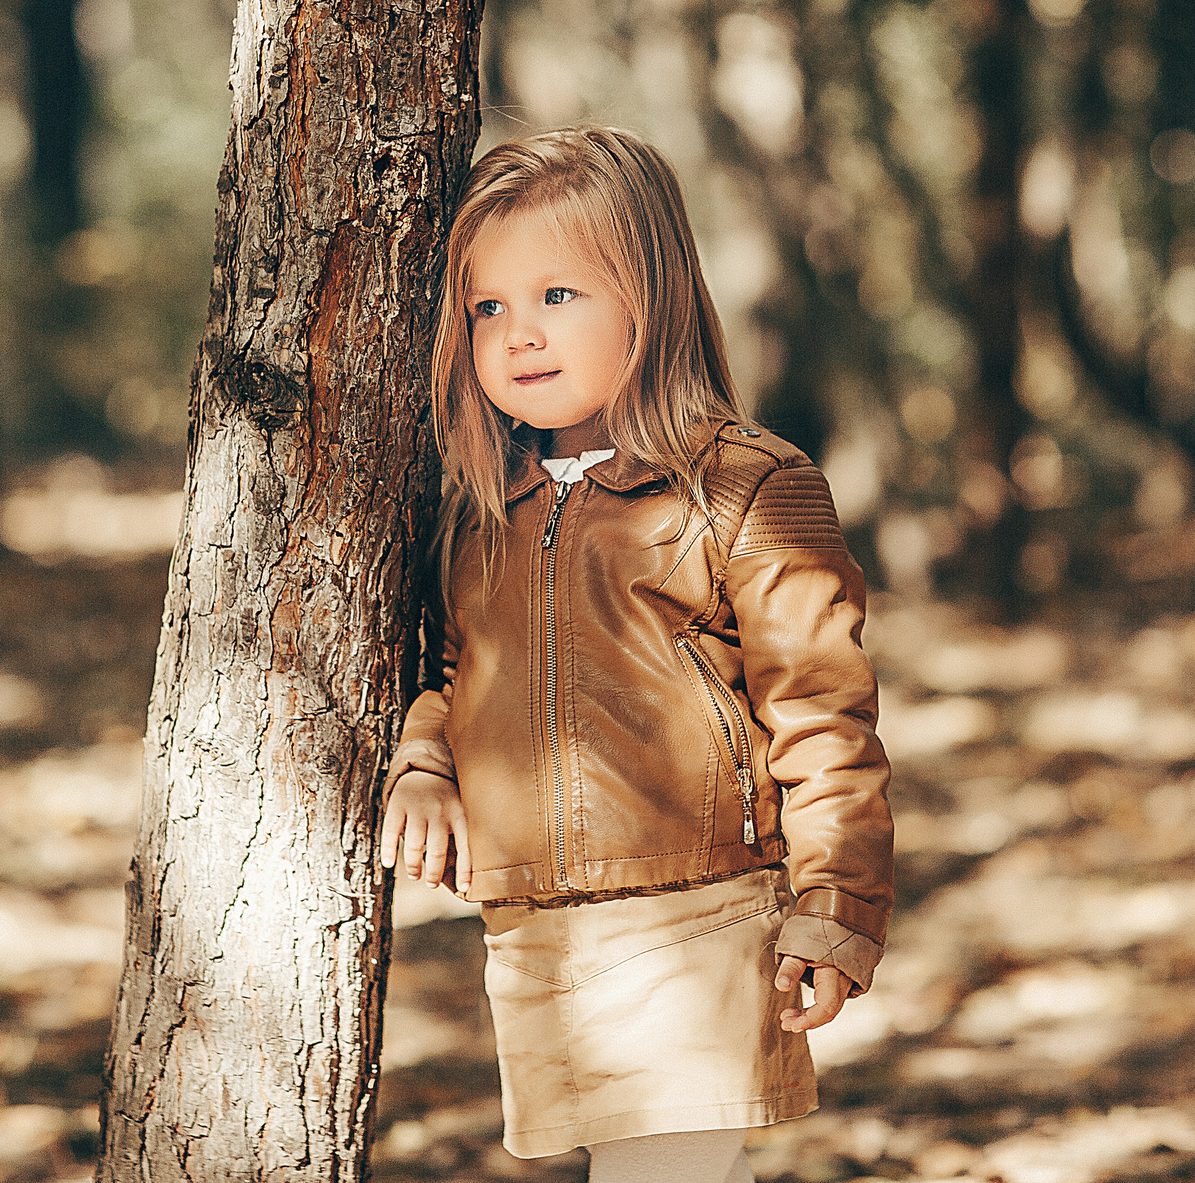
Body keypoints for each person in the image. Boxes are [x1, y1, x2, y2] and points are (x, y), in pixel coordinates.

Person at [381, 125, 894, 1183]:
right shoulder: (478, 505)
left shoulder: (744, 486)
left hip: (696, 911)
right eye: (487, 308)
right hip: (530, 929)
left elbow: (823, 717)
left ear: (648, 298)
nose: (519, 334)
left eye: (557, 294)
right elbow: (449, 670)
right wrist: (423, 762)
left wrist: (837, 904)